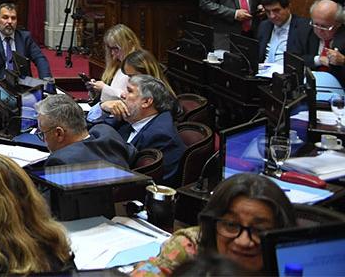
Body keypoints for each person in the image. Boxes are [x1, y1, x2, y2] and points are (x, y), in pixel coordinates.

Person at [132, 173, 296, 276]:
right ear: (212, 224)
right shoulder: (189, 244)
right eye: (231, 225)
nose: (243, 241)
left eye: (259, 230)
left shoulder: (293, 260)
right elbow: (149, 272)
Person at [96, 74, 186, 185]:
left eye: (129, 91)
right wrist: (103, 107)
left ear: (146, 102)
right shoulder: (127, 118)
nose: (123, 95)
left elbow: (149, 184)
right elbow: (93, 132)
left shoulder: (161, 137)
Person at [35, 94, 133, 168]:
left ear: (59, 133)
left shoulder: (60, 161)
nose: (43, 140)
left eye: (42, 134)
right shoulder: (107, 133)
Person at [0, 2, 52, 91]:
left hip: (22, 85)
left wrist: (47, 81)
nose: (10, 21)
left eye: (13, 18)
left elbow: (40, 58)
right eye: (5, 17)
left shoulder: (25, 37)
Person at [256, 0, 314, 65]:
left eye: (276, 10)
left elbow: (306, 58)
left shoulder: (304, 27)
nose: (272, 16)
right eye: (268, 11)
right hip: (263, 71)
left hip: (287, 72)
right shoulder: (264, 26)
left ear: (288, 7)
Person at [91, 24, 143, 102]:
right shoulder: (116, 66)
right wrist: (95, 90)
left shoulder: (138, 66)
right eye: (110, 49)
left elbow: (131, 98)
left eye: (116, 48)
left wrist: (104, 88)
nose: (112, 53)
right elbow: (107, 98)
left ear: (130, 44)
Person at [305, 0, 345, 83]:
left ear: (338, 23)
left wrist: (343, 61)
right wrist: (319, 60)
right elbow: (295, 57)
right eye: (315, 24)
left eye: (324, 26)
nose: (319, 30)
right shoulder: (306, 31)